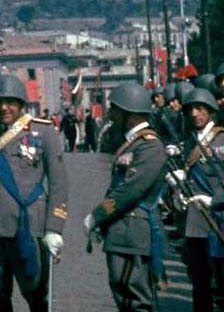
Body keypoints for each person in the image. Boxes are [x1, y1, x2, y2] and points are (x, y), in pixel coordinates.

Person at [0, 75, 67, 312]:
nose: (3, 108)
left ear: (21, 104)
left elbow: (59, 183)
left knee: (36, 293)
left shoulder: (43, 132)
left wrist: (54, 228)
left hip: (28, 225)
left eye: (10, 102)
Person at [85, 82, 167, 312]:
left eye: (115, 110)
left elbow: (130, 191)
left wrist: (98, 216)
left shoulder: (149, 146)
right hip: (123, 231)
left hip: (134, 232)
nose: (111, 115)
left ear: (129, 114)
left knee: (134, 297)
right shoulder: (133, 143)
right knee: (124, 295)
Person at [175, 88, 224, 312]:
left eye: (199, 108)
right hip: (196, 221)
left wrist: (214, 200)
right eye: (190, 110)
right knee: (198, 280)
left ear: (210, 111)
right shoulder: (189, 142)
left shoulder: (220, 139)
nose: (194, 114)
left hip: (219, 219)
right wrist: (179, 194)